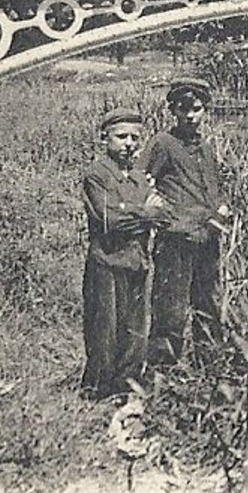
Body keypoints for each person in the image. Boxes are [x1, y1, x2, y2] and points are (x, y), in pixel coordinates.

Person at [143, 77, 233, 362]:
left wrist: (220, 210)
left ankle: (209, 366)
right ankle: (162, 373)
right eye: (183, 109)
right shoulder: (163, 143)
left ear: (205, 109)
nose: (190, 115)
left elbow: (213, 190)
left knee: (208, 304)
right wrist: (158, 212)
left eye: (196, 108)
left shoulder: (205, 148)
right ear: (173, 110)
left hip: (207, 238)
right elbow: (140, 181)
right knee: (170, 308)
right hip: (176, 240)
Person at [80, 108, 168, 399]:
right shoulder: (97, 175)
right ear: (104, 138)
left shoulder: (140, 178)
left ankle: (125, 388)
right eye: (121, 137)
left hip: (137, 260)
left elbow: (164, 215)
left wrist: (137, 211)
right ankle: (97, 390)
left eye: (134, 138)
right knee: (105, 329)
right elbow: (109, 221)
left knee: (135, 331)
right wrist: (146, 211)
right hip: (107, 261)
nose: (129, 143)